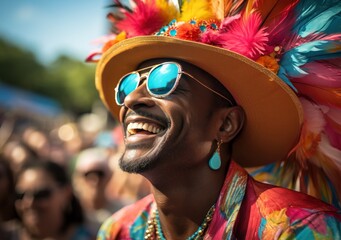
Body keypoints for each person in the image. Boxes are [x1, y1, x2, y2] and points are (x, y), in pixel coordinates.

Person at [87, 0, 341, 239]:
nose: (131, 99)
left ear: (225, 125)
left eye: (164, 81)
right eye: (129, 85)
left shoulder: (296, 228)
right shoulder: (118, 231)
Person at [12, 160, 95, 240]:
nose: (29, 203)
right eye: (20, 195)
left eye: (41, 194)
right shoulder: (8, 236)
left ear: (66, 194)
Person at [72, 147, 124, 235]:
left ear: (109, 176)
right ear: (78, 178)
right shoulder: (70, 214)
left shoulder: (122, 211)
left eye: (100, 174)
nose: (95, 181)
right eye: (88, 175)